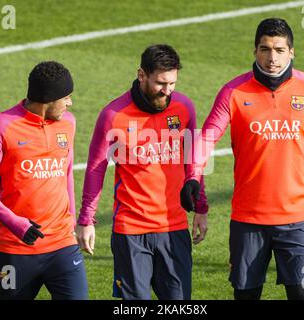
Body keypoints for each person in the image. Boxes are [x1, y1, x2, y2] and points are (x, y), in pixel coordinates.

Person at [181, 18, 304, 300]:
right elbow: (207, 138)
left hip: (298, 220)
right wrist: (192, 178)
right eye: (265, 49)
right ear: (255, 50)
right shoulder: (233, 92)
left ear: (292, 52)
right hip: (248, 221)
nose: (272, 58)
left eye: (280, 50)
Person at [76, 44, 209, 300]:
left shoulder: (184, 108)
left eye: (172, 83)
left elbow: (193, 160)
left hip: (174, 227)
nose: (167, 91)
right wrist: (86, 220)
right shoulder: (113, 115)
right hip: (131, 231)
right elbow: (96, 168)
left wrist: (201, 208)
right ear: (141, 75)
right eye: (161, 83)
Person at [0, 61, 88, 300]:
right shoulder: (2, 126)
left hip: (62, 246)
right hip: (14, 251)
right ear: (48, 99)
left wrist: (72, 222)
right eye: (66, 97)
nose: (70, 103)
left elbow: (66, 173)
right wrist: (17, 224)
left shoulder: (68, 124)